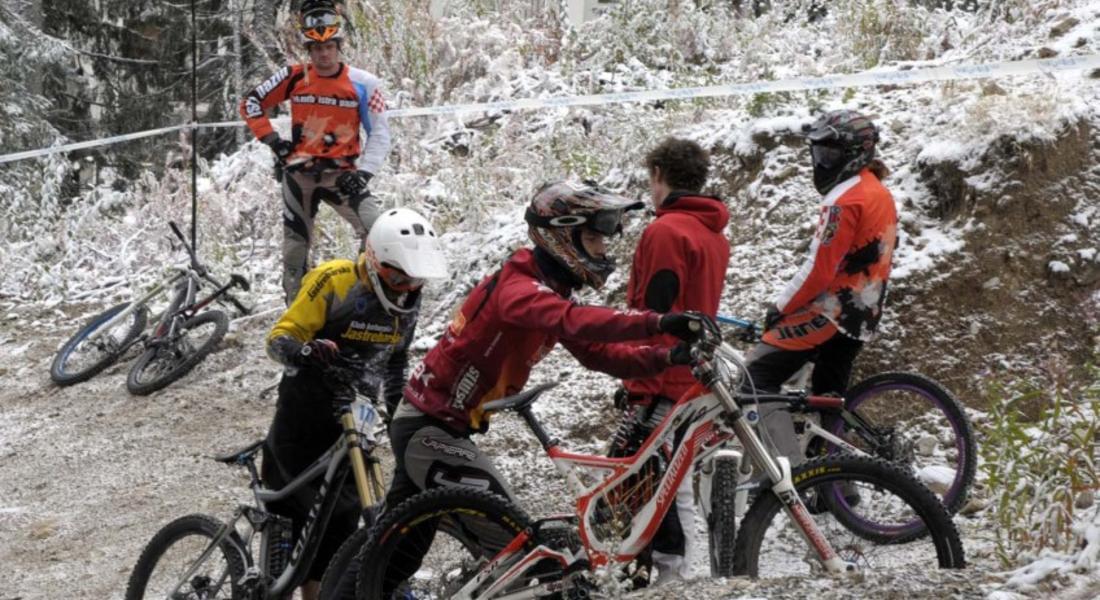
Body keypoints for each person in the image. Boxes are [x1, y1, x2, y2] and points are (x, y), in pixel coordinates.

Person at [375, 181, 708, 594]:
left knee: (390, 560)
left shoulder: (549, 292)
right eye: (592, 238)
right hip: (429, 429)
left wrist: (666, 357)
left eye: (604, 239)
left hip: (440, 428)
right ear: (560, 237)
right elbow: (575, 320)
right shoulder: (518, 287)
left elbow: (598, 354)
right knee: (523, 549)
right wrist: (655, 322)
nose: (603, 249)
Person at [261, 207, 447, 600]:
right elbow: (280, 337)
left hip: (354, 419)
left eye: (414, 280)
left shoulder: (408, 300)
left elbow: (396, 361)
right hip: (303, 413)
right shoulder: (335, 279)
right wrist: (307, 352)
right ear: (376, 260)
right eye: (398, 276)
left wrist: (401, 413)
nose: (405, 287)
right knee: (290, 516)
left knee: (341, 525)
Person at [743, 109, 897, 470]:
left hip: (833, 310)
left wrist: (779, 307)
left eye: (828, 153)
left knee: (755, 378)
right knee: (827, 399)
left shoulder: (844, 200)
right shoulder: (878, 191)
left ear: (853, 154)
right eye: (817, 152)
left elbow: (818, 268)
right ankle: (837, 489)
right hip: (864, 311)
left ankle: (793, 478)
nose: (820, 161)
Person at [609, 138, 730, 585]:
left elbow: (654, 313)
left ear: (659, 174)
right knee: (670, 478)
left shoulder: (666, 231)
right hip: (690, 373)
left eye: (650, 178)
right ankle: (671, 571)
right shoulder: (712, 232)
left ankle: (671, 574)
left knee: (651, 479)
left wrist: (637, 377)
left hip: (663, 374)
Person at [239, 0, 392, 304]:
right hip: (299, 175)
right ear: (307, 50)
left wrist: (364, 173)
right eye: (316, 49)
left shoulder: (364, 83)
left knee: (377, 232)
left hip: (343, 176)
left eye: (329, 48)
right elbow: (250, 102)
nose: (323, 54)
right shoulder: (293, 76)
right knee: (295, 249)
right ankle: (296, 310)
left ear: (339, 46)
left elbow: (381, 133)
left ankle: (366, 300)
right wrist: (272, 139)